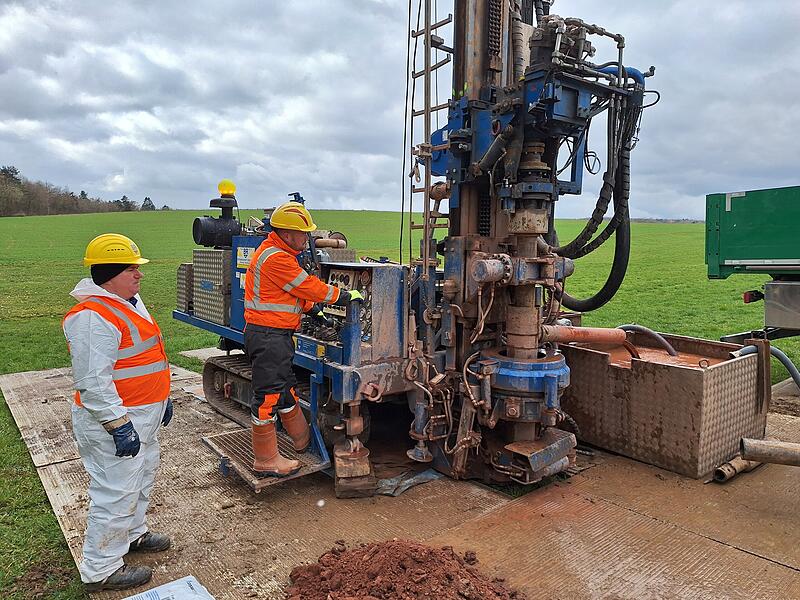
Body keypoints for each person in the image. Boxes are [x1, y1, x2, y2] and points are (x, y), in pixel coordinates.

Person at [63, 233, 173, 592]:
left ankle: (133, 535)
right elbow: (93, 382)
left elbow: (143, 357)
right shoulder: (93, 317)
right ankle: (101, 569)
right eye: (131, 269)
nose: (139, 274)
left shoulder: (128, 302)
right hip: (117, 422)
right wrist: (117, 424)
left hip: (143, 414)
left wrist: (162, 398)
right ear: (109, 272)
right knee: (116, 493)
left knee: (139, 482)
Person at [244, 202, 362, 476]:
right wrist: (342, 296)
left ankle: (302, 441)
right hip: (268, 336)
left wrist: (316, 312)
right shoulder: (276, 257)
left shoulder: (280, 254)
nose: (307, 238)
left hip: (276, 336)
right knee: (267, 398)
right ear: (286, 233)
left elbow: (289, 293)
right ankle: (265, 459)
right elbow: (306, 286)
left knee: (286, 390)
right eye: (302, 233)